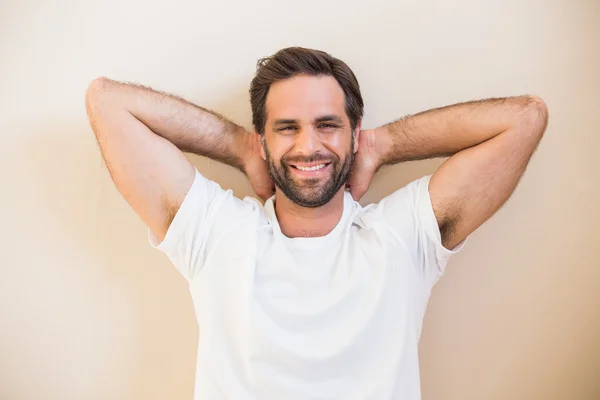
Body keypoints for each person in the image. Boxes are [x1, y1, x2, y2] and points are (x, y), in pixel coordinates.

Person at [84, 46, 548, 400]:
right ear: (264, 137)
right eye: (287, 128)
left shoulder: (402, 238)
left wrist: (384, 144)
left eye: (328, 125)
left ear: (354, 133)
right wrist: (241, 148)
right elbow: (107, 101)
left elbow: (524, 119)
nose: (309, 146)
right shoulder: (217, 233)